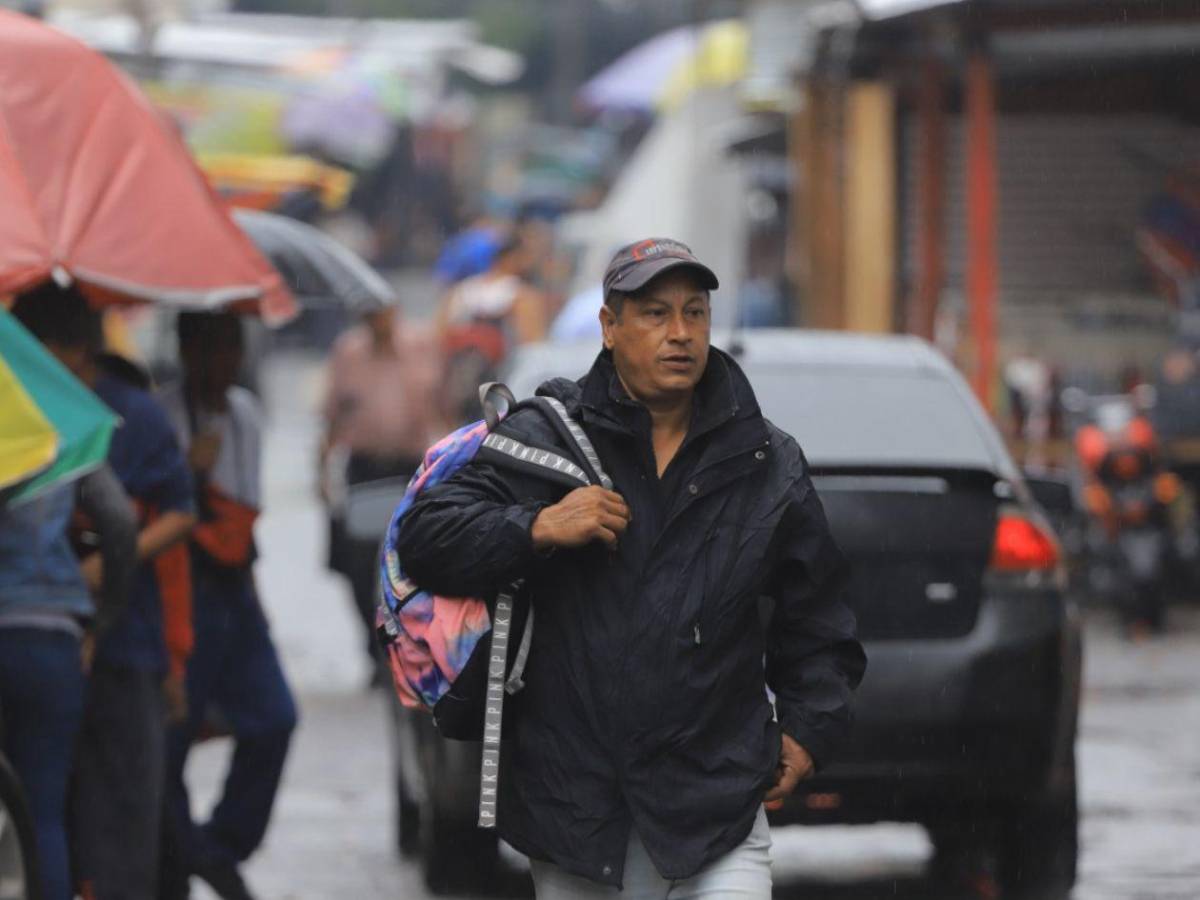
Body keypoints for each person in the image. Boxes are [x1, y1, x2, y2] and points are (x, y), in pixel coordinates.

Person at [394, 237, 867, 897]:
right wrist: (538, 526)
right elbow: (424, 538)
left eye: (695, 313)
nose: (680, 333)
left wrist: (808, 727)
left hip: (717, 807)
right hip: (577, 814)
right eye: (655, 313)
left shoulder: (765, 460)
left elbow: (817, 615)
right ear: (609, 327)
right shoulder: (546, 438)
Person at [12, 283, 196, 900]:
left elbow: (178, 513)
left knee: (108, 818)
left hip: (118, 644)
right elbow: (116, 518)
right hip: (60, 637)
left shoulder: (113, 413)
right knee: (46, 810)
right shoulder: (39, 412)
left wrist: (106, 592)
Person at [158, 312, 297, 900]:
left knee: (274, 717)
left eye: (233, 348)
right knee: (170, 742)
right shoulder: (163, 414)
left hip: (232, 589)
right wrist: (189, 470)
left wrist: (255, 603)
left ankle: (213, 847)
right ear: (188, 351)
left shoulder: (244, 414)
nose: (226, 362)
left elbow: (243, 517)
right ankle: (177, 856)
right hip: (181, 587)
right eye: (214, 348)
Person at [320, 303, 444, 671]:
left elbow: (443, 407)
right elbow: (331, 416)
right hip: (364, 470)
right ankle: (376, 643)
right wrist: (322, 470)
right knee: (358, 562)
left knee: (413, 560)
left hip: (411, 470)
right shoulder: (349, 353)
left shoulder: (420, 347)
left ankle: (409, 641)